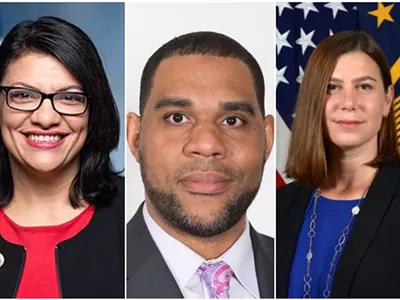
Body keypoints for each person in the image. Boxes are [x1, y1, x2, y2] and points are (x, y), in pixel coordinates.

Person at [126, 31, 274, 298]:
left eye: (233, 120)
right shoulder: (93, 273)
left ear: (268, 139)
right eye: (177, 117)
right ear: (135, 137)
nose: (207, 145)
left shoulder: (299, 268)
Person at [0, 17, 124, 298]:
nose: (46, 118)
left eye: (70, 98)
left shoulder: (136, 218)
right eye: (22, 95)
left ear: (94, 111)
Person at [277, 30, 400, 298]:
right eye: (332, 87)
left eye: (364, 86)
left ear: (387, 100)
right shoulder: (281, 205)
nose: (348, 103)